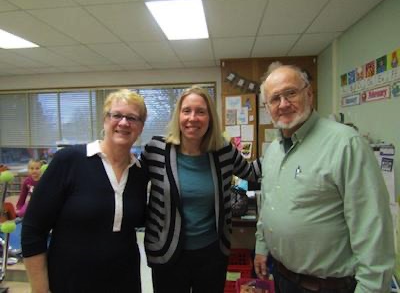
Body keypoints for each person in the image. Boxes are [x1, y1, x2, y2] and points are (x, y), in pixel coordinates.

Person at [254, 63, 395, 292]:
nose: (283, 104)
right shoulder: (273, 150)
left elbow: (373, 229)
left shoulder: (346, 144)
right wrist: (261, 247)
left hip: (327, 286)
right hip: (283, 278)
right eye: (274, 98)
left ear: (308, 93)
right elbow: (269, 204)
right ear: (267, 107)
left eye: (291, 93)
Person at [21, 89, 149, 293]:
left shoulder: (140, 173)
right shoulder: (70, 161)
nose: (124, 123)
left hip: (125, 282)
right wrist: (40, 290)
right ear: (105, 119)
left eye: (132, 118)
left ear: (141, 127)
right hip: (70, 283)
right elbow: (33, 230)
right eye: (116, 115)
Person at [141, 85, 261, 293]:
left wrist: (282, 149)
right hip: (168, 253)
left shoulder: (222, 151)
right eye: (186, 110)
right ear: (178, 115)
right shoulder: (157, 149)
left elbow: (251, 172)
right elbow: (130, 182)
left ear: (210, 118)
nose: (192, 118)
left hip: (212, 253)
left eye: (201, 111)